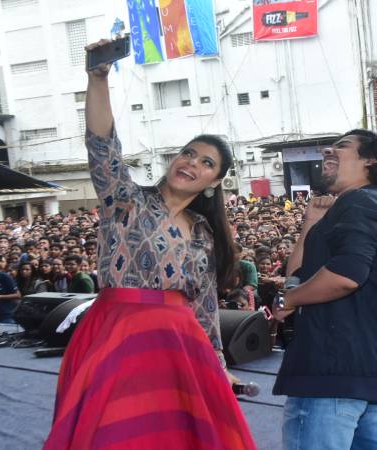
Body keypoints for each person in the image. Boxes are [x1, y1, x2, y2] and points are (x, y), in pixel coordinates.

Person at [44, 39, 255, 450]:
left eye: (206, 163)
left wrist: (218, 365)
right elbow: (102, 147)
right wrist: (98, 79)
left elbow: (205, 310)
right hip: (115, 335)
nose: (192, 162)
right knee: (114, 436)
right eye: (188, 153)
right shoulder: (125, 200)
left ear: (214, 182)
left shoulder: (204, 234)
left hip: (179, 346)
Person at [272, 129, 377, 450]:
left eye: (342, 146)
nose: (328, 150)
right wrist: (311, 222)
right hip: (363, 370)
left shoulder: (361, 202)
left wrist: (290, 299)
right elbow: (298, 274)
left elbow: (345, 275)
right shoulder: (372, 203)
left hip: (335, 368)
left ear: (371, 160)